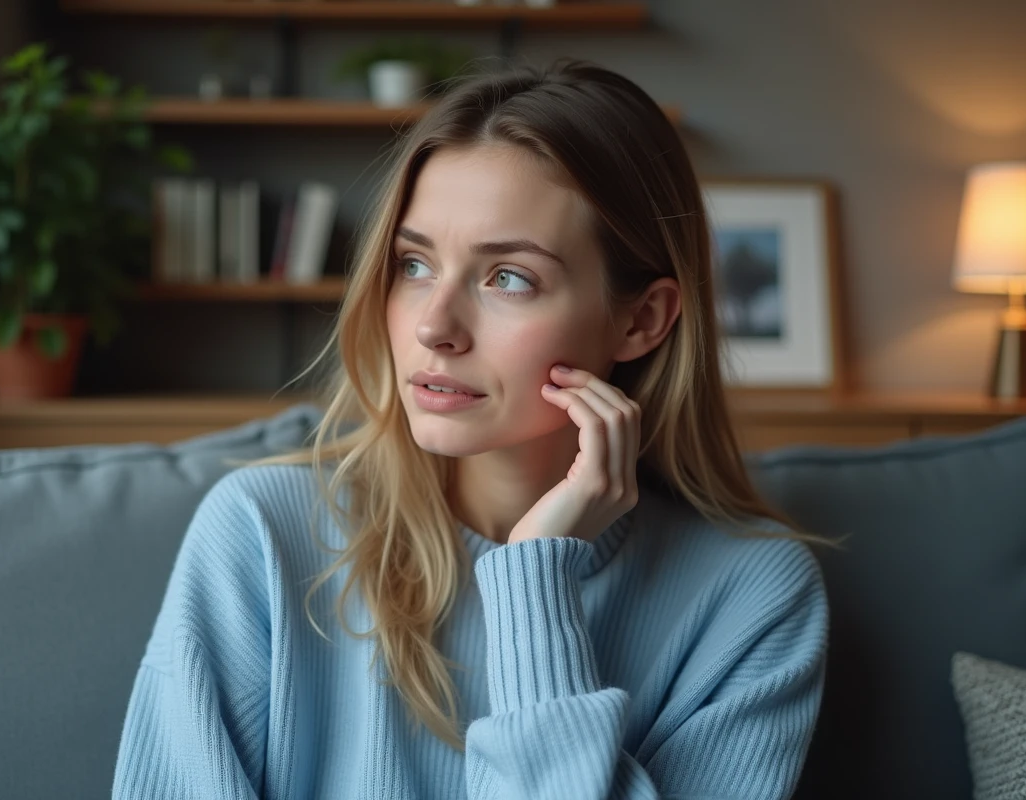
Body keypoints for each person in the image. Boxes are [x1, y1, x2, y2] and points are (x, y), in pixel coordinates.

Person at [112, 57, 832, 800]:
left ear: (641, 319)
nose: (433, 325)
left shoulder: (754, 597)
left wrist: (537, 580)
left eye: (508, 278)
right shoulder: (262, 536)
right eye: (413, 264)